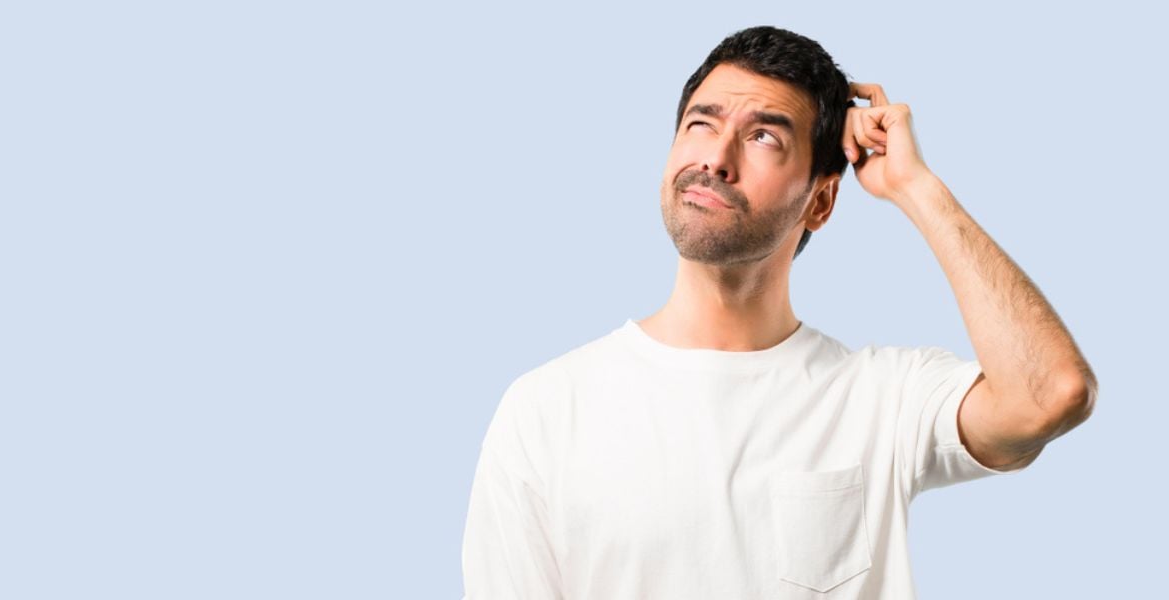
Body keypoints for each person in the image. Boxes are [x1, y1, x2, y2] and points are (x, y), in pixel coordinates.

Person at [461, 25, 1096, 599]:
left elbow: (1051, 394)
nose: (715, 159)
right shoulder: (545, 409)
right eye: (700, 124)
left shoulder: (882, 399)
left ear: (821, 203)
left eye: (763, 136)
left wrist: (914, 187)